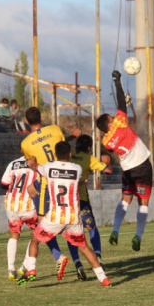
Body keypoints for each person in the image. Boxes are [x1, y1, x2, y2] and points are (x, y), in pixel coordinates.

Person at [17, 141, 111, 287]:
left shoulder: (48, 167)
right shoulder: (77, 168)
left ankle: (32, 269)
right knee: (84, 247)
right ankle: (104, 279)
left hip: (55, 215)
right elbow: (74, 181)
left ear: (55, 154)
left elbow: (34, 167)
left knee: (35, 239)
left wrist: (33, 162)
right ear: (69, 154)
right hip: (73, 217)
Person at [20, 106, 81, 280]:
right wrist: (72, 137)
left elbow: (32, 162)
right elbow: (61, 146)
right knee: (66, 222)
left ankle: (44, 261)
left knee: (40, 228)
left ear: (26, 121)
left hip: (47, 183)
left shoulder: (25, 143)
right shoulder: (54, 129)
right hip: (64, 180)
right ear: (41, 117)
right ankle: (77, 261)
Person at [96, 70, 153, 251]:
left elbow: (115, 139)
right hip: (142, 165)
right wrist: (117, 82)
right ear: (110, 122)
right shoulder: (120, 123)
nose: (114, 117)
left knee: (125, 200)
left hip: (127, 170)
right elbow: (121, 102)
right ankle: (137, 235)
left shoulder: (106, 141)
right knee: (143, 201)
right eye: (111, 118)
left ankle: (115, 230)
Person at [67, 134, 112, 280]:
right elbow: (107, 170)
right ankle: (97, 256)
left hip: (67, 201)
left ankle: (78, 263)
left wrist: (70, 136)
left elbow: (59, 144)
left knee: (71, 234)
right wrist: (107, 162)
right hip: (82, 200)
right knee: (91, 228)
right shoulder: (89, 159)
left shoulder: (69, 154)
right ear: (89, 148)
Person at [0, 155, 39, 281]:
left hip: (11, 204)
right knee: (37, 234)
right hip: (29, 205)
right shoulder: (36, 164)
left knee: (14, 235)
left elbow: (3, 184)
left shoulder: (13, 163)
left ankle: (11, 268)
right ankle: (25, 265)